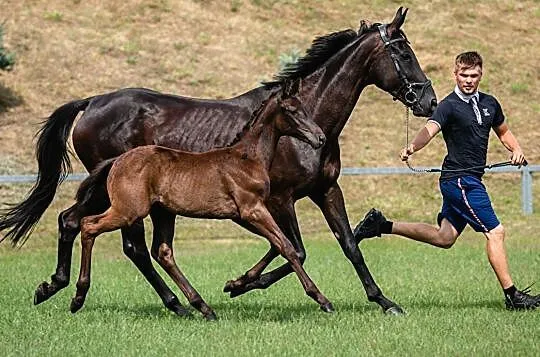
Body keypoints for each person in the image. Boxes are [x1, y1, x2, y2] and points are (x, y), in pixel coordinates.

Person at [353, 51, 539, 310]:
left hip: (469, 179)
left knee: (445, 237)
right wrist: (412, 148)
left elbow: (503, 131)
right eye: (464, 75)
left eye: (474, 75)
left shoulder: (490, 104)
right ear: (455, 74)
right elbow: (430, 129)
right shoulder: (449, 105)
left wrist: (516, 149)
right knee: (496, 232)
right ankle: (513, 296)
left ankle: (381, 225)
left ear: (481, 75)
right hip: (460, 181)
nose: (469, 80)